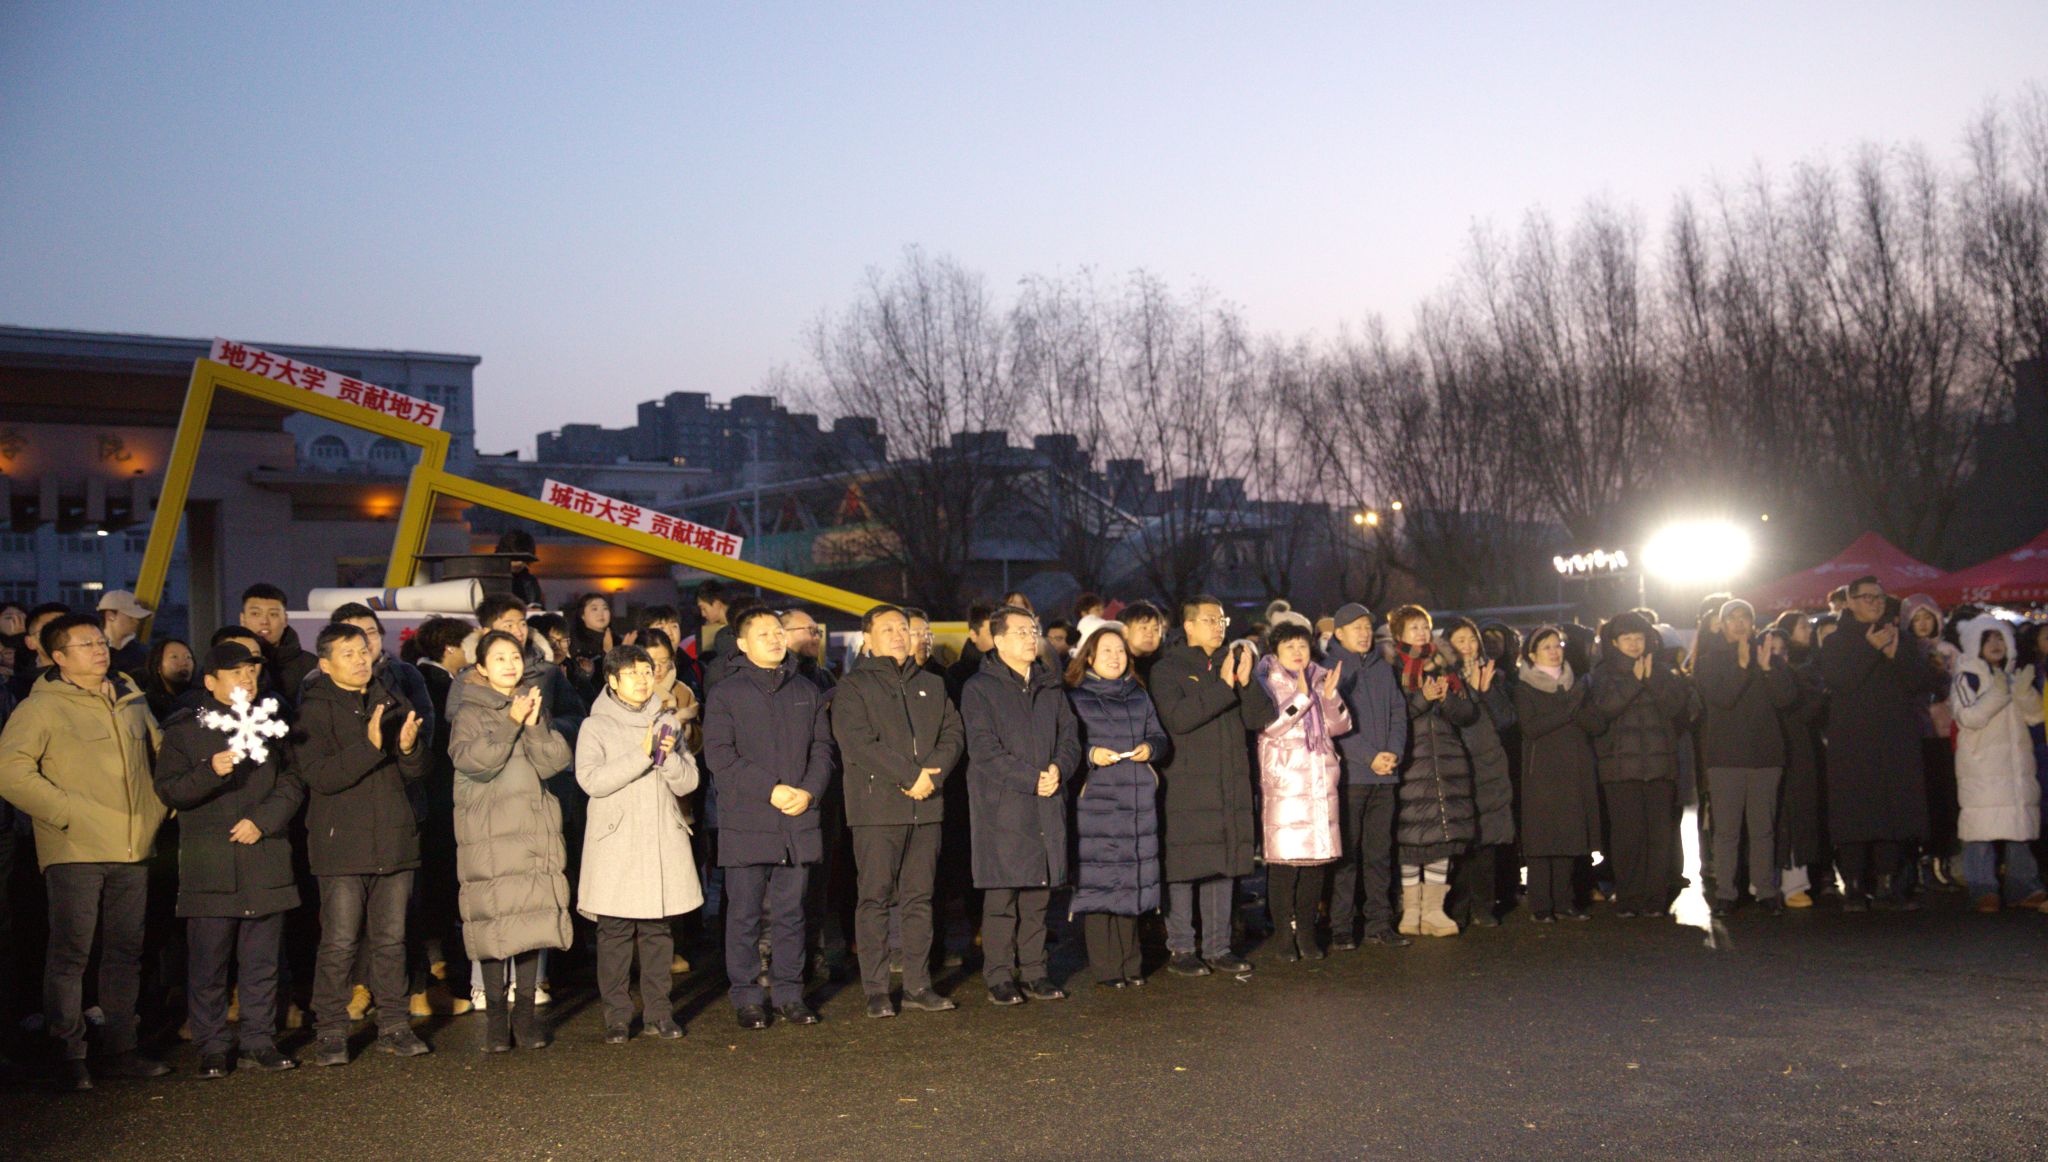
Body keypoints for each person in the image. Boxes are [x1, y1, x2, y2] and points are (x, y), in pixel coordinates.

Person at [0, 612, 169, 1089]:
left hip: (133, 845)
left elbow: (159, 757)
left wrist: (159, 808)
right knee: (71, 953)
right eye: (86, 644)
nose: (100, 650)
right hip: (75, 847)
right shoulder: (41, 707)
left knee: (125, 951)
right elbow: (10, 771)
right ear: (58, 656)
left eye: (100, 642)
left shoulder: (130, 697)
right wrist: (66, 812)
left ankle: (121, 1048)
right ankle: (68, 1053)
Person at [151, 642, 303, 1078]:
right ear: (210, 681)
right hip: (211, 862)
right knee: (208, 964)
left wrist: (263, 821)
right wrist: (209, 771)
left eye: (252, 672)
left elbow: (294, 780)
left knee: (262, 962)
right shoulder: (185, 728)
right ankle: (213, 1046)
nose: (247, 680)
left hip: (264, 855)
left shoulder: (273, 721)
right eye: (236, 673)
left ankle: (259, 1041)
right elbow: (169, 790)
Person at [293, 623, 427, 1066]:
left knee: (392, 941)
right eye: (347, 654)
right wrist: (370, 747)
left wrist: (408, 749)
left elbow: (416, 773)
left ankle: (394, 1025)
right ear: (325, 664)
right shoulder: (312, 711)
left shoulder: (391, 698)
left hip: (394, 837)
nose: (359, 660)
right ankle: (331, 1031)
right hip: (341, 845)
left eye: (363, 650)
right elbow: (320, 776)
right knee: (339, 942)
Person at [704, 607, 834, 1029]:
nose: (775, 639)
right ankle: (746, 996)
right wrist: (770, 789)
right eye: (764, 634)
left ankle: (789, 993)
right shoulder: (726, 693)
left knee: (791, 913)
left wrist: (809, 791)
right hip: (748, 818)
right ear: (743, 644)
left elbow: (823, 749)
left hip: (797, 817)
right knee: (744, 915)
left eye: (778, 632)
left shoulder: (806, 689)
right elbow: (720, 757)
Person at [834, 605, 964, 1016]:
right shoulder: (853, 686)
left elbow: (953, 734)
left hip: (927, 807)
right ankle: (876, 990)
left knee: (919, 899)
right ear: (867, 639)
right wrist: (910, 776)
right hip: (877, 809)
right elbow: (857, 743)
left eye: (903, 628)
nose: (898, 635)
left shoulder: (932, 684)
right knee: (874, 898)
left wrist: (931, 777)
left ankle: (917, 985)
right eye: (887, 629)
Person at [450, 629, 574, 1052]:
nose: (509, 664)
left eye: (515, 657)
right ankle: (495, 1022)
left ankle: (524, 1019)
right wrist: (511, 723)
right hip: (488, 832)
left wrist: (535, 725)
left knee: (530, 922)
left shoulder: (532, 703)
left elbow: (555, 762)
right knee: (493, 923)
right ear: (481, 668)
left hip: (531, 827)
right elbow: (475, 762)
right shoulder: (470, 711)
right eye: (499, 658)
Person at [577, 643, 702, 1041]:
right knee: (614, 933)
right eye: (632, 674)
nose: (642, 680)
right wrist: (645, 754)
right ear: (612, 681)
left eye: (647, 672)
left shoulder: (666, 722)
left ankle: (658, 1013)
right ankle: (617, 1016)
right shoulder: (595, 726)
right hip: (616, 840)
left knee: (657, 931)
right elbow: (592, 781)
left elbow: (689, 781)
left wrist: (667, 758)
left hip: (660, 836)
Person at [961, 605, 1080, 1004]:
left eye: (1033, 631)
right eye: (1021, 632)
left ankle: (1034, 971)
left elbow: (1070, 738)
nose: (1031, 639)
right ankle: (998, 975)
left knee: (1038, 896)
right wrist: (1031, 779)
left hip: (1046, 799)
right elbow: (984, 749)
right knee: (1002, 897)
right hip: (1004, 805)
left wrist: (1059, 768)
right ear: (998, 640)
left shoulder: (1050, 686)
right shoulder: (980, 688)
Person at [1148, 596, 1273, 976]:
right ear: (1188, 626)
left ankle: (1219, 947)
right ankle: (1182, 948)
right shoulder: (1167, 669)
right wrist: (1223, 686)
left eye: (1221, 620)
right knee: (1183, 868)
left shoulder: (1231, 663)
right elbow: (1179, 718)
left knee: (1223, 866)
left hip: (1229, 781)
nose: (1218, 626)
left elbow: (1260, 717)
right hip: (1185, 785)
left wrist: (1247, 683)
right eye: (1209, 620)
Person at [1821, 576, 1944, 910]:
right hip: (1853, 741)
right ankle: (1854, 886)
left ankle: (1888, 884)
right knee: (1855, 812)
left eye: (1879, 597)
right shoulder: (1836, 641)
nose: (1876, 603)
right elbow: (1838, 681)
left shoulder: (1899, 636)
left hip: (1895, 738)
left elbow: (1921, 682)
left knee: (1892, 810)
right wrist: (1870, 649)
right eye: (1867, 597)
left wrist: (1895, 654)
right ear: (1850, 602)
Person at [1063, 624, 1168, 988]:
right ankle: (1106, 968)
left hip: (1138, 801)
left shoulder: (1138, 694)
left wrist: (1150, 749)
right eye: (1107, 650)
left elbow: (1160, 737)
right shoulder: (1074, 697)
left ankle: (1131, 964)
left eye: (1120, 651)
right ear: (1090, 656)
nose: (1115, 657)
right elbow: (1066, 745)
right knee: (1099, 884)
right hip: (1097, 802)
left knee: (1131, 882)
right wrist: (1091, 754)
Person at [1253, 619, 1350, 961]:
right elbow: (1270, 727)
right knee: (1284, 865)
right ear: (1275, 651)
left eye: (1302, 646)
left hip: (1319, 781)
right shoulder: (1266, 681)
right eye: (1289, 646)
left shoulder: (1320, 677)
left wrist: (1330, 696)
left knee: (1315, 865)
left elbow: (1341, 725)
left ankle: (1307, 934)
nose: (1297, 652)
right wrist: (1302, 697)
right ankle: (1284, 935)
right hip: (1286, 785)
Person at [1694, 599, 1799, 917]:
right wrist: (1741, 667)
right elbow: (1721, 698)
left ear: (1754, 624)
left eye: (1745, 618)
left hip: (1765, 756)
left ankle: (1766, 890)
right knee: (1727, 831)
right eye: (1732, 618)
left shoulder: (1767, 656)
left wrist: (1766, 670)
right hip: (1725, 757)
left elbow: (1786, 698)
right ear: (1721, 624)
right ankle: (1726, 893)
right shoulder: (1708, 661)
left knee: (1763, 829)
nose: (1739, 623)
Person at [1587, 611, 1689, 919]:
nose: (1634, 644)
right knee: (1627, 837)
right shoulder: (1603, 674)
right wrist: (1634, 682)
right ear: (1614, 642)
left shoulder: (1662, 670)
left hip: (1660, 766)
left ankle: (1655, 899)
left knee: (1659, 837)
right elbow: (1604, 709)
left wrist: (1652, 680)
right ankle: (1629, 897)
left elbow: (1676, 708)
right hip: (1620, 769)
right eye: (1627, 638)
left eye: (1639, 638)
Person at [1388, 606, 1478, 938]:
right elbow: (1394, 717)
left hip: (1446, 761)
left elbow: (1467, 713)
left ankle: (1434, 911)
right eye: (1413, 628)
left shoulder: (1445, 665)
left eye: (1424, 628)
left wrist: (1444, 700)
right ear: (1399, 635)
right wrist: (1423, 698)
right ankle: (1411, 910)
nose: (1421, 634)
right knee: (1411, 839)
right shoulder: (1392, 668)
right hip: (1411, 760)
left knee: (1441, 837)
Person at [1323, 603, 1409, 950]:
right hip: (1350, 776)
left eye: (1368, 627)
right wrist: (1369, 756)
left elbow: (1398, 713)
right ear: (1339, 633)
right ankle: (1341, 925)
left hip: (1385, 775)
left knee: (1379, 853)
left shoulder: (1382, 668)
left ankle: (1379, 922)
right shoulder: (1328, 669)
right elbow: (1332, 724)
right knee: (1347, 854)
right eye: (1356, 627)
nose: (1364, 633)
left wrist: (1393, 753)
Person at [1950, 616, 2047, 912]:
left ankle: (2024, 886)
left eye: (1999, 638)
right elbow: (1968, 717)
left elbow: (2035, 717)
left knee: (2019, 828)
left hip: (2017, 768)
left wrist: (2024, 692)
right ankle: (1983, 888)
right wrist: (1999, 692)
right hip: (1982, 768)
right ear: (1974, 644)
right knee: (1981, 828)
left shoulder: (2013, 674)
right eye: (1988, 639)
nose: (1995, 644)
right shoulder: (1967, 676)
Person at [1511, 627, 1602, 921]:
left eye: (1557, 645)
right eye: (1546, 647)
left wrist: (1576, 709)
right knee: (1542, 841)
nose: (1554, 651)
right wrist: (1568, 709)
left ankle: (1564, 901)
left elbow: (1596, 724)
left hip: (1575, 770)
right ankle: (1541, 905)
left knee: (1569, 837)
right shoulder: (1524, 687)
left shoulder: (1577, 684)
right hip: (1542, 772)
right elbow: (1531, 727)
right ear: (1532, 654)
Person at [406, 616, 471, 1015]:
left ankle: (437, 973)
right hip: (438, 803)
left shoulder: (436, 681)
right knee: (438, 894)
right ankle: (432, 979)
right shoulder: (434, 685)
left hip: (437, 803)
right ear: (450, 648)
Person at [1441, 616, 1517, 927]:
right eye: (1461, 640)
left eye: (1472, 639)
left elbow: (1506, 719)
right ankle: (1458, 904)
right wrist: (1471, 691)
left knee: (1488, 837)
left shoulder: (1493, 675)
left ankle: (1484, 904)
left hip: (1488, 762)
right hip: (1458, 761)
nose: (1469, 646)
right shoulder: (1444, 676)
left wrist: (1486, 691)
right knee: (1461, 837)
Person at [1763, 628, 1830, 908]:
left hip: (1797, 755)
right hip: (1763, 756)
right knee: (1765, 819)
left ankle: (1795, 882)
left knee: (1797, 817)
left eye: (1782, 650)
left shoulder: (1799, 679)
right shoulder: (1751, 679)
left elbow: (1812, 710)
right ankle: (1762, 881)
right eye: (1771, 650)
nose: (1777, 656)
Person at [240, 583, 318, 712]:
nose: (264, 621)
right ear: (242, 619)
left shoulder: (310, 665)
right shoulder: (227, 663)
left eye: (273, 614)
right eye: (255, 614)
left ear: (285, 620)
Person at [6, 602, 71, 703]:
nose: (59, 636)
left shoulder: (93, 677)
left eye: (67, 629)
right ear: (30, 642)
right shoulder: (14, 691)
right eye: (49, 630)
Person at [96, 590, 154, 680]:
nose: (137, 622)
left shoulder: (144, 655)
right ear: (110, 616)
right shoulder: (91, 651)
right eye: (131, 617)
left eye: (138, 618)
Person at [140, 637, 195, 721]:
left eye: (188, 657)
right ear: (158, 666)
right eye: (174, 657)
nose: (184, 663)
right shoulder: (146, 704)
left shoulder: (201, 699)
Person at [1119, 601, 1168, 686]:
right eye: (1144, 628)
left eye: (1156, 629)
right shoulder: (1116, 663)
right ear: (1125, 631)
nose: (1150, 634)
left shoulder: (1165, 666)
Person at [494, 529, 546, 608]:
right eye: (514, 558)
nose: (520, 562)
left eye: (523, 559)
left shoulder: (530, 581)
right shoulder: (492, 579)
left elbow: (536, 605)